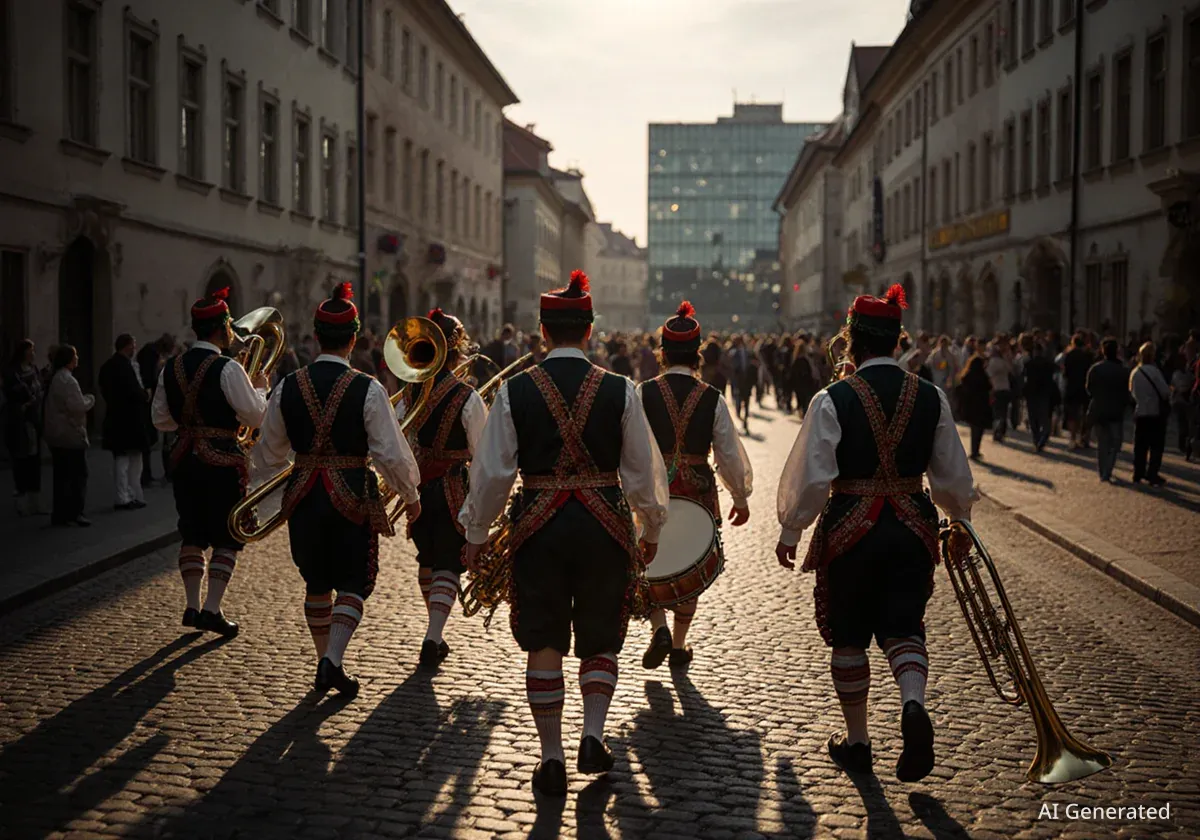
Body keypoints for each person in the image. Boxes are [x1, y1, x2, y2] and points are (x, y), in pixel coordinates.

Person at [459, 270, 669, 797]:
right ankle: (593, 733)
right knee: (601, 635)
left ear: (542, 333)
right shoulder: (621, 389)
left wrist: (478, 531)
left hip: (538, 528)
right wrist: (652, 526)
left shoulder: (514, 390)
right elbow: (642, 470)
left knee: (545, 638)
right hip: (604, 528)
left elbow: (492, 472)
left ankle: (551, 755)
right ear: (590, 331)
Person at [775, 284, 976, 783]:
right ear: (897, 341)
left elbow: (814, 475)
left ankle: (859, 741)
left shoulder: (832, 398)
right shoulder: (930, 395)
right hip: (912, 525)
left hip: (851, 530)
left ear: (851, 341)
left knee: (848, 636)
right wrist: (962, 519)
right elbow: (952, 472)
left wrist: (791, 529)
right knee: (904, 625)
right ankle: (912, 704)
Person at [254, 283, 421, 697]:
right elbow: (390, 452)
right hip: (351, 492)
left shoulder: (286, 386)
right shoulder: (368, 388)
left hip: (304, 494)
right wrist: (411, 494)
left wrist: (278, 501)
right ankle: (332, 660)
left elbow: (268, 453)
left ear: (315, 338)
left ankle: (323, 660)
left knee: (315, 581)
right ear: (352, 339)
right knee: (352, 581)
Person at [637, 302, 752, 670]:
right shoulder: (712, 397)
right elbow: (729, 452)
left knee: (647, 559)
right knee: (689, 563)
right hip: (699, 492)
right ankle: (680, 645)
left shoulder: (643, 392)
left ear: (663, 352)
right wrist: (740, 496)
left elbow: (632, 448)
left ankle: (658, 627)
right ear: (697, 353)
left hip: (653, 491)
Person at [153, 287, 268, 638]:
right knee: (227, 535)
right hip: (222, 460)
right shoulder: (228, 367)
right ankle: (212, 609)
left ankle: (191, 604)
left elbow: (160, 419)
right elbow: (256, 414)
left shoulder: (170, 366)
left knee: (191, 531)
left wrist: (190, 425)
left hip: (184, 457)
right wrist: (261, 387)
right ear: (222, 329)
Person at [396, 308, 486, 667]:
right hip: (453, 489)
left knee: (427, 558)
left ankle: (435, 629)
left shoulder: (409, 394)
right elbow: (482, 454)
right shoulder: (468, 396)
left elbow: (400, 439)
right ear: (457, 349)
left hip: (419, 488)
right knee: (447, 562)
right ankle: (434, 635)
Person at [42, 345, 94, 526]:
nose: (77, 359)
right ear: (69, 360)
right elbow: (77, 407)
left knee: (62, 476)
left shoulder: (57, 378)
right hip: (70, 434)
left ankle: (61, 514)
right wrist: (89, 400)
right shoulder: (67, 380)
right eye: (75, 356)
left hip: (58, 434)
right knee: (77, 476)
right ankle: (74, 513)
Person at [99, 334, 150, 511]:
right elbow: (133, 390)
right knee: (127, 461)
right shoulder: (124, 367)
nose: (134, 348)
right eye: (133, 345)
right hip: (129, 419)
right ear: (127, 346)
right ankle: (125, 496)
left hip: (117, 417)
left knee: (127, 459)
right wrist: (145, 395)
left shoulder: (108, 366)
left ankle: (131, 494)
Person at [4, 339, 43, 515]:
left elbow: (39, 388)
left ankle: (34, 501)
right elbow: (11, 394)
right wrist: (25, 403)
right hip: (19, 421)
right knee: (21, 459)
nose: (33, 353)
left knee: (34, 459)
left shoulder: (34, 370)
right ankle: (21, 499)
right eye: (31, 350)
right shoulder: (13, 372)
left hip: (34, 420)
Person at [1085, 338, 1130, 483]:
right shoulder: (1123, 370)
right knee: (1115, 443)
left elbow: (1089, 389)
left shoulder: (1095, 368)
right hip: (1116, 411)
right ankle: (1107, 469)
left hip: (1100, 410)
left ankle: (1102, 470)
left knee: (1102, 443)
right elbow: (1127, 392)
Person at [1128, 341, 1170, 487]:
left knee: (1140, 445)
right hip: (1155, 412)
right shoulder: (1155, 372)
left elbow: (1132, 392)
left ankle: (1138, 472)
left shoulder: (1135, 372)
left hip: (1140, 412)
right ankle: (1152, 473)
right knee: (1156, 446)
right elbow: (1165, 392)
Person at [1021, 336, 1057, 452]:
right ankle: (1042, 438)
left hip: (1032, 394)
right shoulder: (1048, 364)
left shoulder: (1028, 363)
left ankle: (1037, 440)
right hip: (1044, 394)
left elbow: (1024, 379)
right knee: (1044, 418)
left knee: (1033, 419)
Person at [1062, 333, 1094, 450]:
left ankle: (1072, 438)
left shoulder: (1069, 355)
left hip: (1071, 386)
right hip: (1085, 387)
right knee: (1085, 413)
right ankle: (1084, 437)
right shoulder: (1088, 355)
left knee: (1072, 414)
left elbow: (1065, 373)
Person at [958, 353, 993, 460]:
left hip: (971, 406)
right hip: (982, 405)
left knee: (974, 429)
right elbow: (989, 387)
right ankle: (976, 450)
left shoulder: (967, 376)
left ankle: (974, 450)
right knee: (979, 430)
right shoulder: (983, 375)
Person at [985, 340, 1013, 442]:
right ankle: (1002, 431)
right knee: (1004, 412)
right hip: (1006, 388)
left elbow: (988, 375)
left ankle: (997, 432)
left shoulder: (992, 362)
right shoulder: (1004, 361)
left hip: (996, 389)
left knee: (997, 412)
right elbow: (1011, 370)